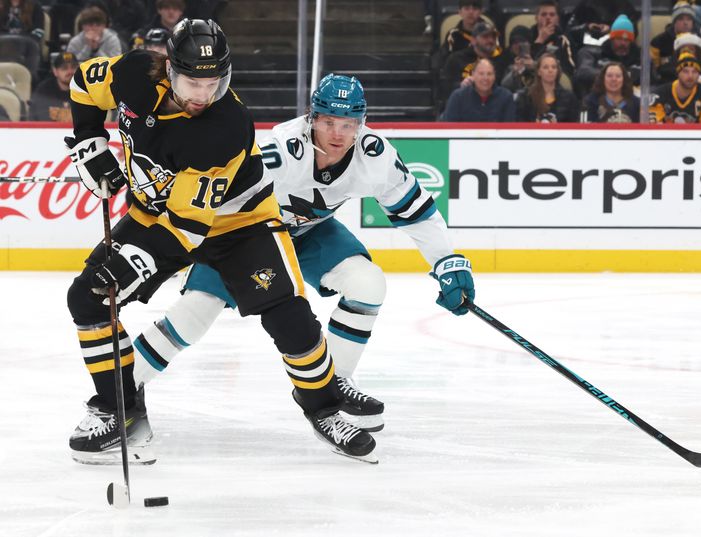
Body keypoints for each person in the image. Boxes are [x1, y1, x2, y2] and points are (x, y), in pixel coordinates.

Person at [65, 19, 377, 465]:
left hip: (241, 224)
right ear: (169, 69)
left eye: (214, 83)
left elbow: (188, 227)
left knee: (290, 318)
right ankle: (120, 411)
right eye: (193, 82)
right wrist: (89, 141)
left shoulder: (226, 125)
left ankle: (324, 409)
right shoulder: (134, 72)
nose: (203, 95)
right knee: (88, 297)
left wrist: (135, 263)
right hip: (157, 212)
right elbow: (83, 84)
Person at [126, 73, 475, 436]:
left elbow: (417, 212)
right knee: (195, 312)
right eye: (328, 123)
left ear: (361, 124)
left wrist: (445, 261)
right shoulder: (281, 152)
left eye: (348, 125)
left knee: (368, 284)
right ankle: (120, 391)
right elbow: (218, 196)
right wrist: (173, 246)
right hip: (244, 236)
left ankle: (332, 384)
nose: (337, 134)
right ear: (312, 118)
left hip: (310, 233)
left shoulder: (376, 156)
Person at [442, 20, 513, 102]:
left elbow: (507, 88)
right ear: (473, 40)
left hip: (494, 105)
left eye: (493, 37)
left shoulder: (503, 59)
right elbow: (444, 88)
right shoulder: (456, 59)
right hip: (463, 103)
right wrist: (461, 85)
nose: (491, 40)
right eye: (485, 37)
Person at [574, 14, 643, 96]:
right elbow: (583, 72)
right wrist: (612, 75)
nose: (623, 43)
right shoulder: (593, 53)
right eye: (619, 38)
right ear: (611, 39)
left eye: (626, 40)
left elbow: (650, 79)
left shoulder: (640, 57)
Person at [508, 0, 575, 79]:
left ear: (557, 18)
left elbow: (569, 70)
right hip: (527, 79)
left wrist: (536, 66)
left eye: (552, 15)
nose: (548, 17)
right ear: (536, 17)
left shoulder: (563, 39)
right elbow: (519, 62)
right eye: (544, 14)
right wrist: (540, 40)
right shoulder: (525, 37)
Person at [649, 52, 701, 123]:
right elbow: (653, 128)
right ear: (678, 73)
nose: (690, 76)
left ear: (699, 75)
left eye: (694, 72)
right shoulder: (658, 95)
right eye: (685, 71)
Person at [442, 57, 515, 121]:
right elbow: (448, 127)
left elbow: (510, 128)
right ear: (473, 75)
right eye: (481, 74)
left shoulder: (506, 97)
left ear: (494, 76)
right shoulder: (458, 97)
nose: (485, 78)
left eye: (489, 74)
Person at [515, 52, 579, 122]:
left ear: (557, 71)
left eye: (554, 67)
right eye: (545, 67)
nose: (550, 70)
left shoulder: (569, 98)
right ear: (539, 72)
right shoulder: (525, 96)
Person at [29, 51, 78, 121]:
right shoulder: (44, 91)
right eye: (64, 68)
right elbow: (39, 118)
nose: (70, 71)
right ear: (55, 72)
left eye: (73, 67)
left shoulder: (86, 89)